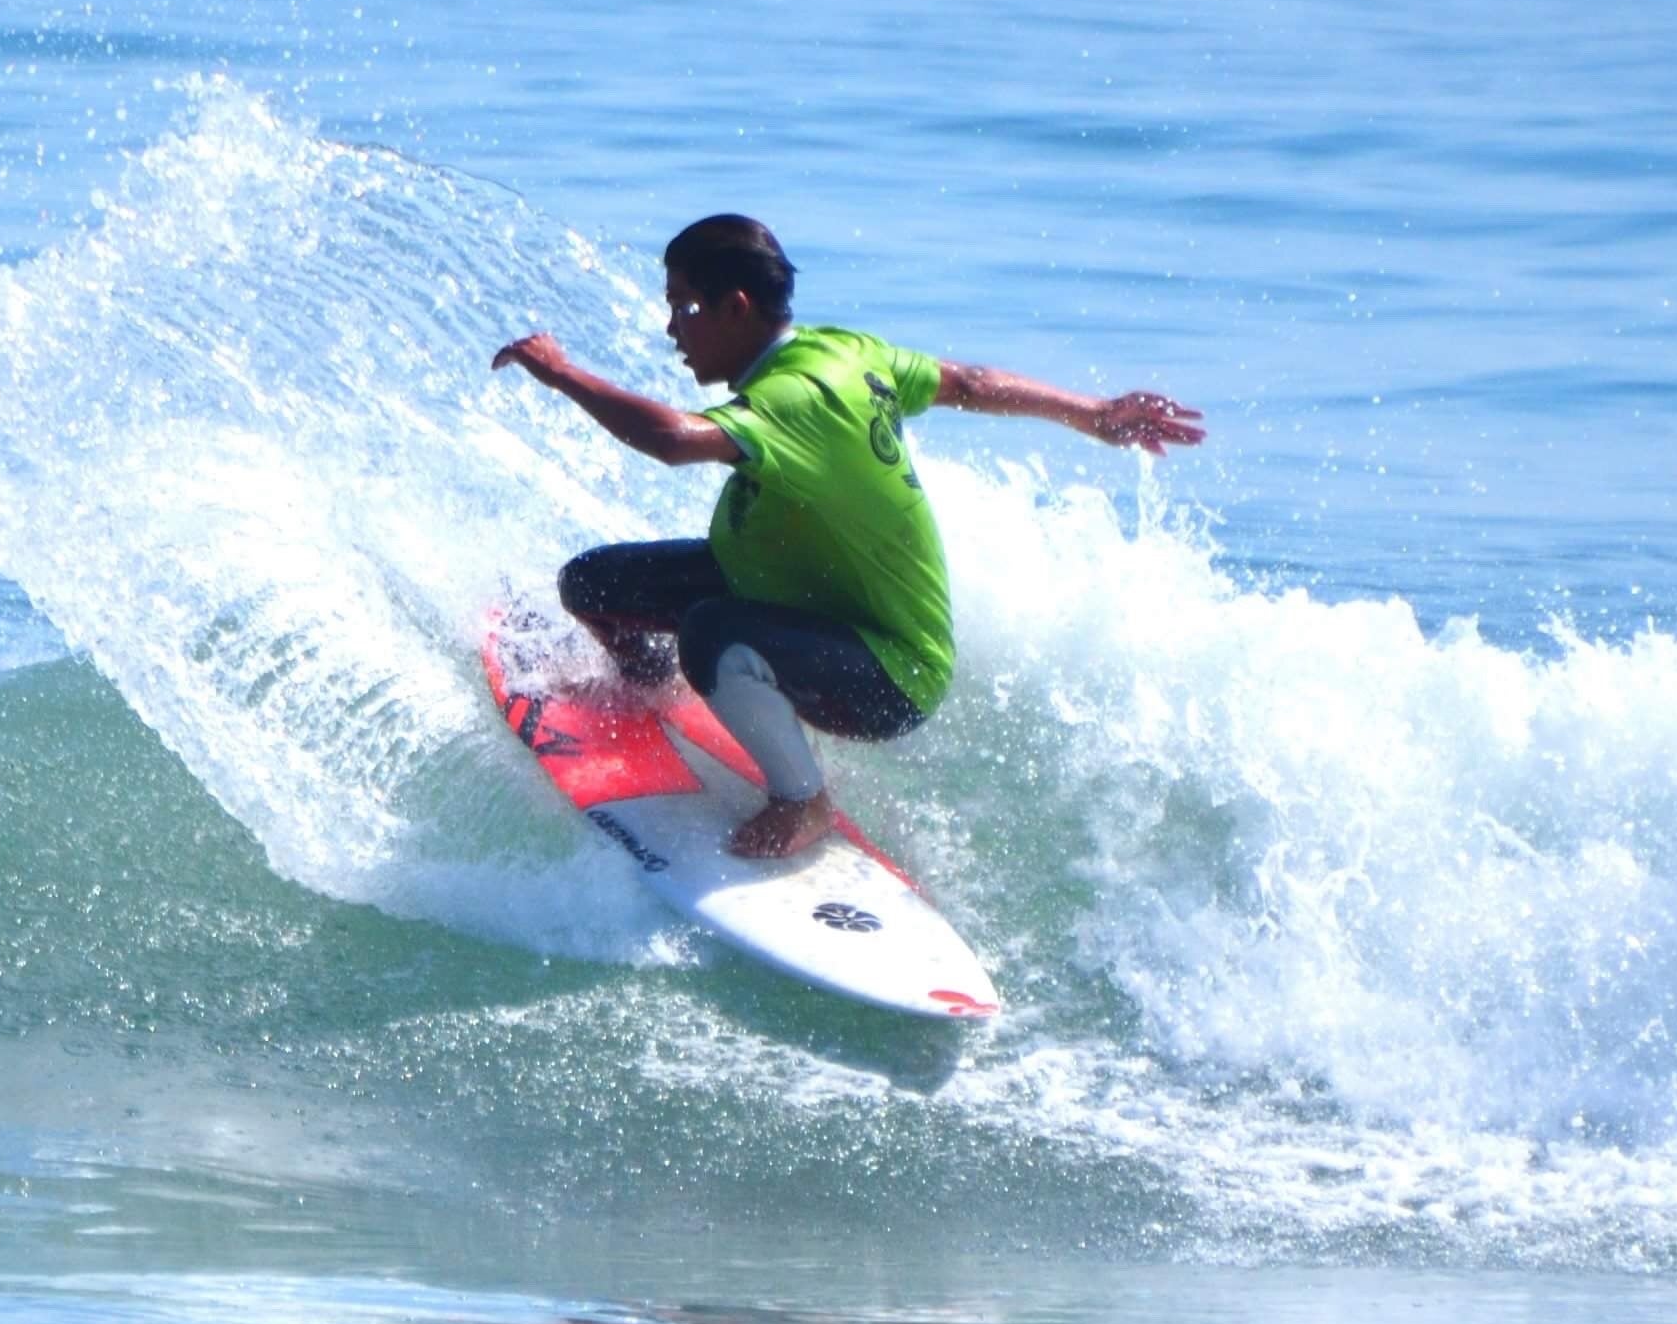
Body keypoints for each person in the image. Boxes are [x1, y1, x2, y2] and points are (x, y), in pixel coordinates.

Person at [491, 215, 1203, 860]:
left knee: (709, 632)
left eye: (686, 307)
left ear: (737, 307)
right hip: (790, 588)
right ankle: (653, 686)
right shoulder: (843, 349)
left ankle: (803, 799)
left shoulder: (799, 396)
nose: (673, 327)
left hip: (885, 670)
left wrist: (562, 374)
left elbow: (674, 440)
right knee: (594, 585)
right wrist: (1092, 413)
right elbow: (968, 383)